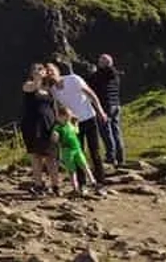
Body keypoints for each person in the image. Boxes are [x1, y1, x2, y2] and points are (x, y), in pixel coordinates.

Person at [48, 61, 108, 188]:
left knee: (95, 152)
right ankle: (82, 184)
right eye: (47, 73)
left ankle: (100, 182)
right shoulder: (53, 90)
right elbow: (57, 108)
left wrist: (100, 111)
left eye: (51, 70)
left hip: (89, 117)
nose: (50, 74)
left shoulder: (73, 79)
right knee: (76, 152)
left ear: (57, 70)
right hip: (72, 125)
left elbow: (91, 94)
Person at [20, 62, 61, 196]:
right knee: (36, 156)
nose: (40, 71)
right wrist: (37, 77)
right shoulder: (28, 85)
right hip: (32, 126)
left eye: (41, 69)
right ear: (32, 73)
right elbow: (32, 88)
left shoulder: (48, 89)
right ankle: (39, 185)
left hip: (48, 126)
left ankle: (56, 186)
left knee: (51, 157)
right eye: (36, 70)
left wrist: (57, 126)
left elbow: (54, 108)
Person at [89, 53, 125, 167]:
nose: (98, 63)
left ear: (104, 63)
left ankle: (110, 156)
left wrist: (93, 72)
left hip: (105, 106)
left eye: (100, 61)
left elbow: (90, 84)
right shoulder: (115, 74)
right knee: (116, 131)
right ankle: (120, 157)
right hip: (116, 105)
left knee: (106, 132)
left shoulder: (100, 74)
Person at [53, 104, 97, 194]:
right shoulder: (58, 128)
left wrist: (76, 123)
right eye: (65, 118)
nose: (67, 120)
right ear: (59, 117)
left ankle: (93, 181)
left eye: (68, 118)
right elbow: (55, 139)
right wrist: (55, 136)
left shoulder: (69, 124)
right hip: (67, 150)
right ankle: (75, 187)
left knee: (84, 164)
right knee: (71, 170)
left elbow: (76, 131)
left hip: (77, 148)